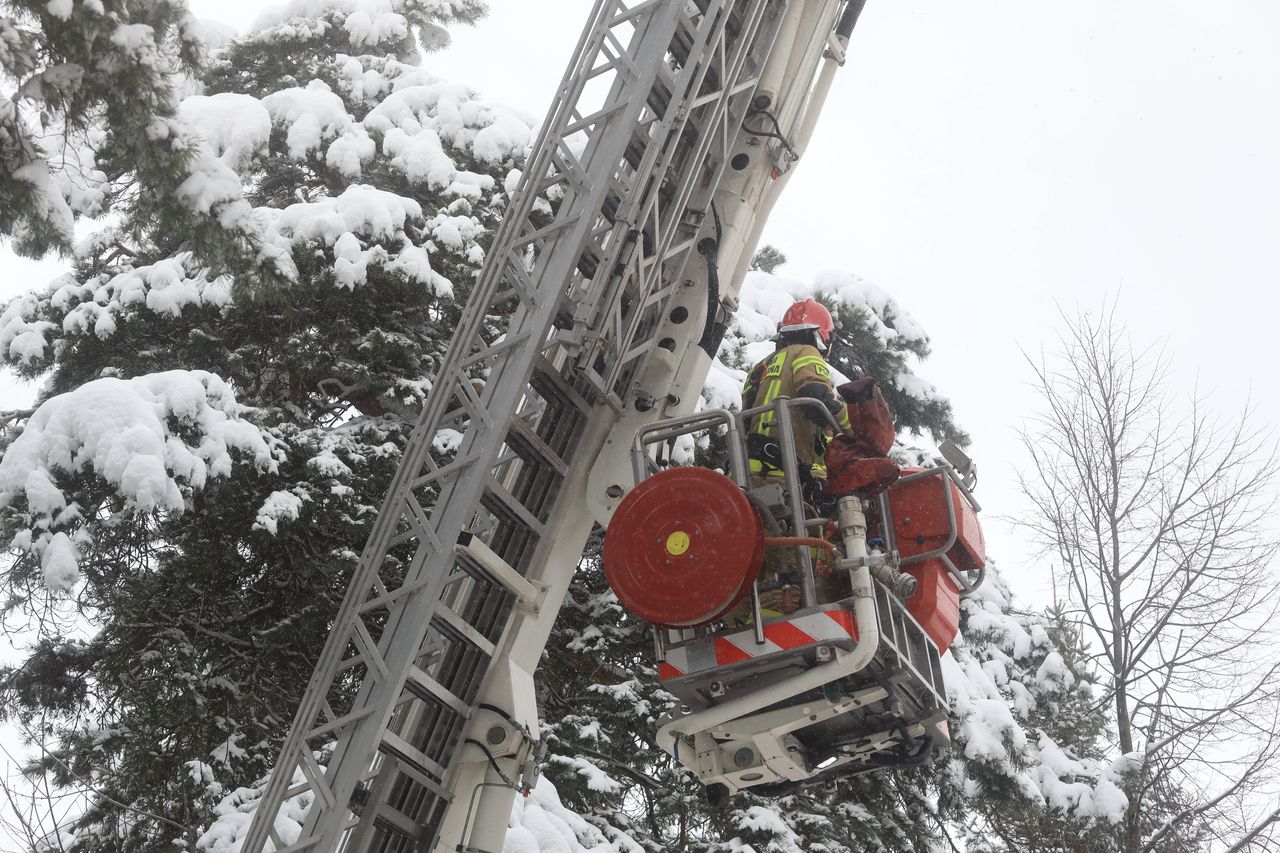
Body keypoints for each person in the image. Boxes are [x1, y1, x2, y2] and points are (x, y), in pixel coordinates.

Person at [734, 298, 854, 620]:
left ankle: (747, 624)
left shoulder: (761, 367)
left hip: (748, 475)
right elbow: (815, 396)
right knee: (788, 560)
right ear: (821, 336)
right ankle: (778, 626)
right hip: (778, 476)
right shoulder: (806, 354)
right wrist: (852, 426)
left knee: (756, 558)